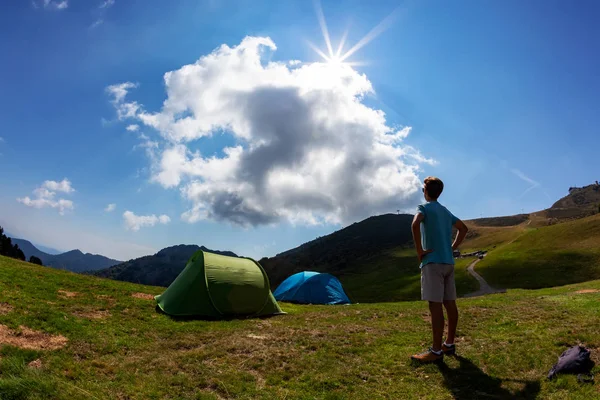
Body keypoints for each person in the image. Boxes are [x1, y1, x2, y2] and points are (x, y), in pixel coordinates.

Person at [410, 176, 469, 363]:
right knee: (450, 303)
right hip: (448, 263)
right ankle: (449, 343)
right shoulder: (445, 211)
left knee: (435, 306)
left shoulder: (423, 208)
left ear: (426, 192)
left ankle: (436, 352)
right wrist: (452, 247)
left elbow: (415, 224)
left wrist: (420, 250)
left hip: (432, 262)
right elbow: (463, 228)